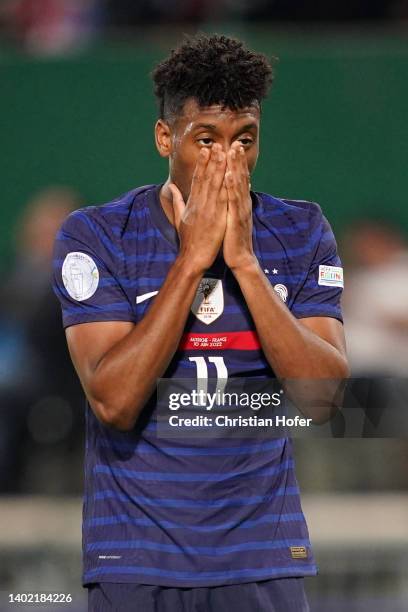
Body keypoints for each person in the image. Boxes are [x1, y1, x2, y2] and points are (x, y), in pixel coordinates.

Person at [52, 34, 349, 612]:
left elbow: (322, 395)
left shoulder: (301, 231)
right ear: (166, 138)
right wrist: (191, 260)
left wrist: (243, 263)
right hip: (135, 560)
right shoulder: (96, 236)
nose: (227, 161)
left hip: (261, 555)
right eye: (206, 141)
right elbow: (112, 401)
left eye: (245, 140)